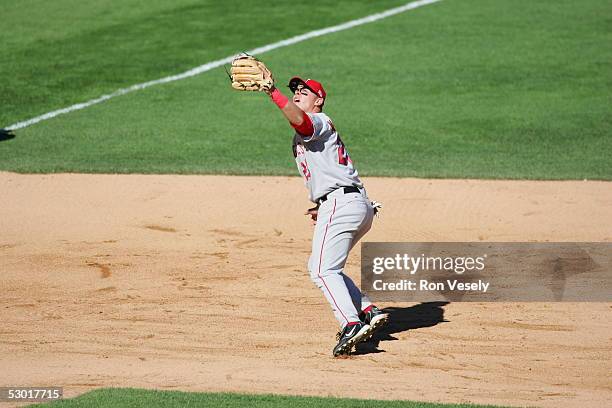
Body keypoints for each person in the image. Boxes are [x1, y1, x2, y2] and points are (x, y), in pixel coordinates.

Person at [265, 77, 389, 357]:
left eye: (304, 91)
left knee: (322, 270)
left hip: (343, 204)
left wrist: (273, 92)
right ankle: (367, 310)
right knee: (326, 265)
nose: (297, 93)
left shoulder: (318, 121)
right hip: (352, 203)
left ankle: (351, 324)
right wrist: (321, 205)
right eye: (294, 91)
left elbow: (302, 122)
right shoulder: (306, 136)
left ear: (318, 100)